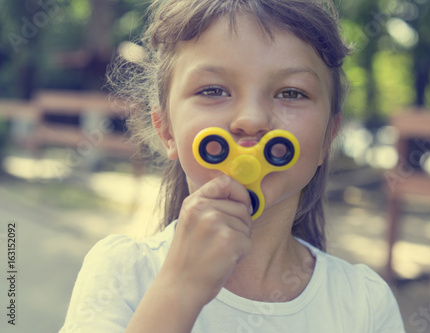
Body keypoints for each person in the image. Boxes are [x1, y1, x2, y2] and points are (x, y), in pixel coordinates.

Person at [60, 0, 405, 332]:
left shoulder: (365, 303)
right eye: (213, 90)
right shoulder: (121, 274)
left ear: (329, 134)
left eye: (291, 93)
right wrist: (180, 288)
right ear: (166, 130)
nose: (252, 120)